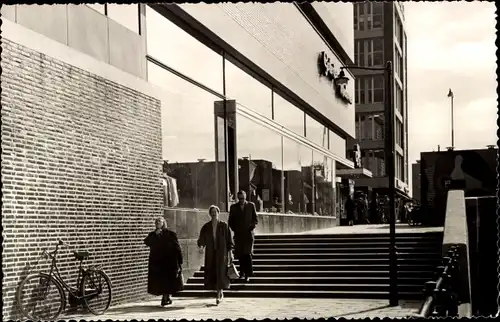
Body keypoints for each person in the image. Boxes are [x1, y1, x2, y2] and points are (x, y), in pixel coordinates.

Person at [198, 205, 234, 305]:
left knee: (221, 272)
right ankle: (219, 291)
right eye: (212, 212)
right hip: (211, 253)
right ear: (210, 214)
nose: (214, 214)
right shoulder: (206, 226)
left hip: (221, 253)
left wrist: (230, 253)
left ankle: (219, 293)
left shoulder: (224, 225)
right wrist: (201, 246)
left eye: (215, 212)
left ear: (218, 213)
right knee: (213, 271)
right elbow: (202, 238)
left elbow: (229, 240)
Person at [144, 217, 183, 306]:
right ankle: (166, 298)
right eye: (156, 222)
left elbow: (177, 248)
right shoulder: (152, 234)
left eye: (159, 221)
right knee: (161, 282)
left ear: (163, 223)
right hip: (157, 263)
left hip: (169, 262)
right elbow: (147, 242)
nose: (157, 223)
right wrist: (155, 235)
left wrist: (180, 261)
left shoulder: (170, 234)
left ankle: (165, 298)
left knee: (167, 281)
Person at [228, 190, 258, 282]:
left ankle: (248, 274)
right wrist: (235, 229)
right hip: (239, 235)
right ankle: (242, 273)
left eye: (243, 198)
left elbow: (255, 219)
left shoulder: (251, 205)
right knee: (240, 255)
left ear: (245, 197)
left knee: (247, 254)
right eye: (240, 198)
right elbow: (230, 221)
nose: (241, 200)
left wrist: (251, 227)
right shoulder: (233, 207)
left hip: (248, 234)